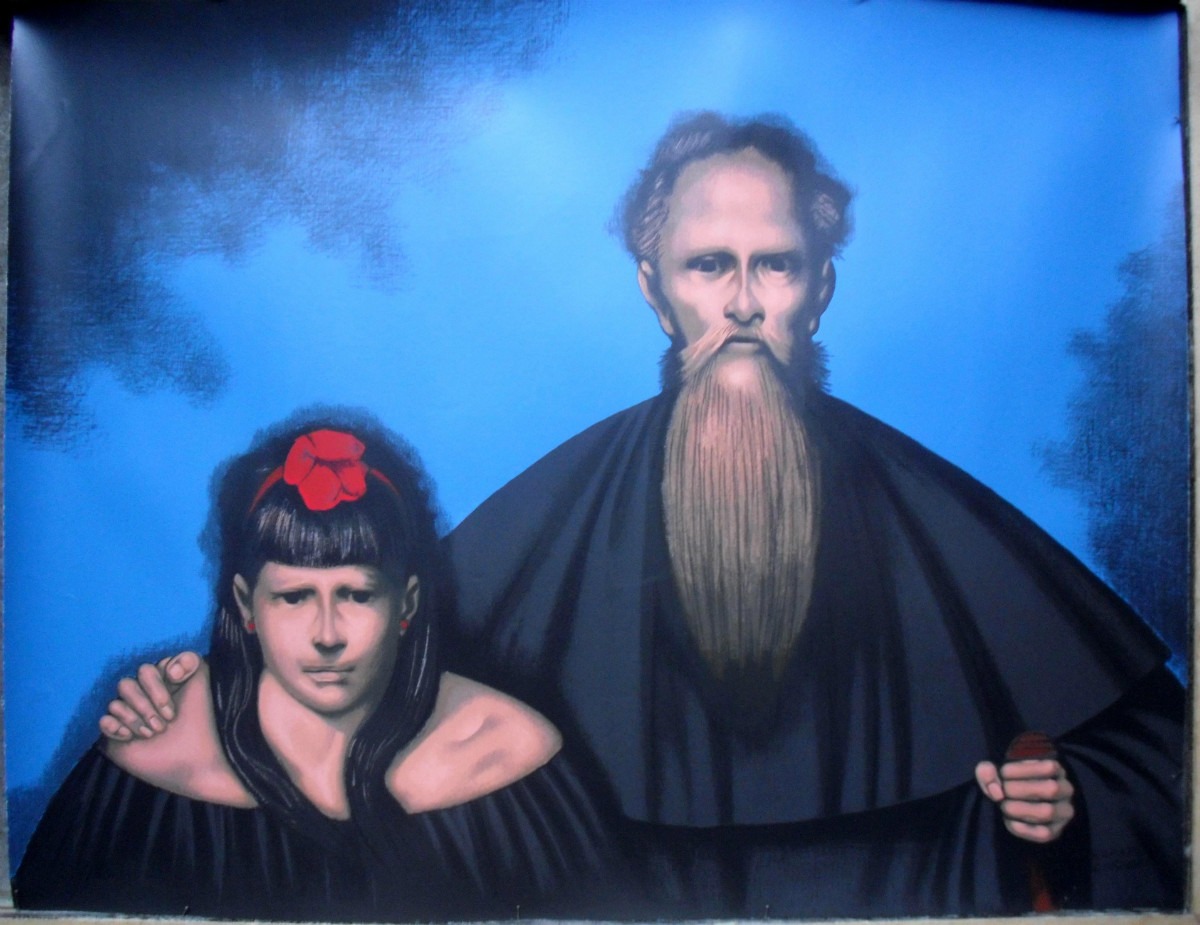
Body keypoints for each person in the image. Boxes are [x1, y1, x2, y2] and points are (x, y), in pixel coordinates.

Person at [97, 114, 1186, 918]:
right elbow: (347, 677)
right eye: (709, 267)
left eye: (776, 266)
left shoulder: (946, 518)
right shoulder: (538, 528)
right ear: (655, 291)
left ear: (821, 291)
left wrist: (1067, 796)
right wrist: (192, 696)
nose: (742, 303)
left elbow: (1157, 764)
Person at [16, 414, 616, 921]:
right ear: (246, 605)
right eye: (294, 597)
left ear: (406, 604)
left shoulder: (505, 751)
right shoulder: (155, 752)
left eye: (357, 594)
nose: (327, 635)